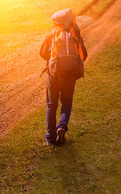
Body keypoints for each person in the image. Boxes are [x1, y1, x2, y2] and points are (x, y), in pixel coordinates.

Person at [40, 8, 87, 146]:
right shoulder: (75, 35)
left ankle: (50, 138)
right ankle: (62, 126)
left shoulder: (52, 35)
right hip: (70, 74)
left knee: (51, 105)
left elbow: (42, 53)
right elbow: (84, 55)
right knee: (66, 103)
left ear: (57, 23)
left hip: (53, 75)